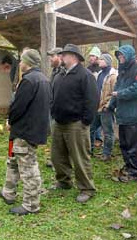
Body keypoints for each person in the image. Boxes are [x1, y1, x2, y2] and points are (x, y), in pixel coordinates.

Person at [0, 49, 51, 215]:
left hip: (25, 130)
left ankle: (31, 205)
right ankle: (8, 193)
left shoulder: (29, 80)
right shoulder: (44, 79)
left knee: (28, 168)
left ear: (28, 63)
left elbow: (18, 106)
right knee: (13, 160)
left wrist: (10, 120)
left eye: (21, 61)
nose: (19, 64)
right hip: (31, 129)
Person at [51, 44, 99, 203]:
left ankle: (87, 188)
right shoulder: (59, 75)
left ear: (74, 57)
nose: (61, 57)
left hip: (76, 124)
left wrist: (85, 120)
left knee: (79, 157)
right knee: (58, 156)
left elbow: (92, 100)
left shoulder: (85, 75)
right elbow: (53, 96)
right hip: (58, 122)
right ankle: (64, 181)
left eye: (64, 54)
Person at [108, 45, 137, 183]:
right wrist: (111, 105)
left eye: (122, 55)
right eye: (119, 55)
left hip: (135, 114)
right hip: (124, 115)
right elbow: (116, 88)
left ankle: (135, 172)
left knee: (133, 145)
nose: (120, 58)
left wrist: (120, 94)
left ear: (129, 55)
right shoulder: (123, 70)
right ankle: (128, 166)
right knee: (124, 144)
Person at [92, 53, 117, 161]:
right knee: (90, 129)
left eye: (101, 59)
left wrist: (108, 106)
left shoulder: (113, 75)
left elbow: (115, 93)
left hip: (106, 109)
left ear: (107, 61)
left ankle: (106, 154)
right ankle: (89, 150)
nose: (99, 61)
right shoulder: (100, 74)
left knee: (108, 132)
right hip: (97, 108)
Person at [87, 46, 103, 148]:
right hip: (90, 96)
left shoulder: (101, 68)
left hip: (100, 96)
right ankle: (91, 139)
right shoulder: (88, 69)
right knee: (92, 118)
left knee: (99, 118)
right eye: (90, 56)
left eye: (93, 56)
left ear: (97, 57)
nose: (91, 58)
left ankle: (98, 138)